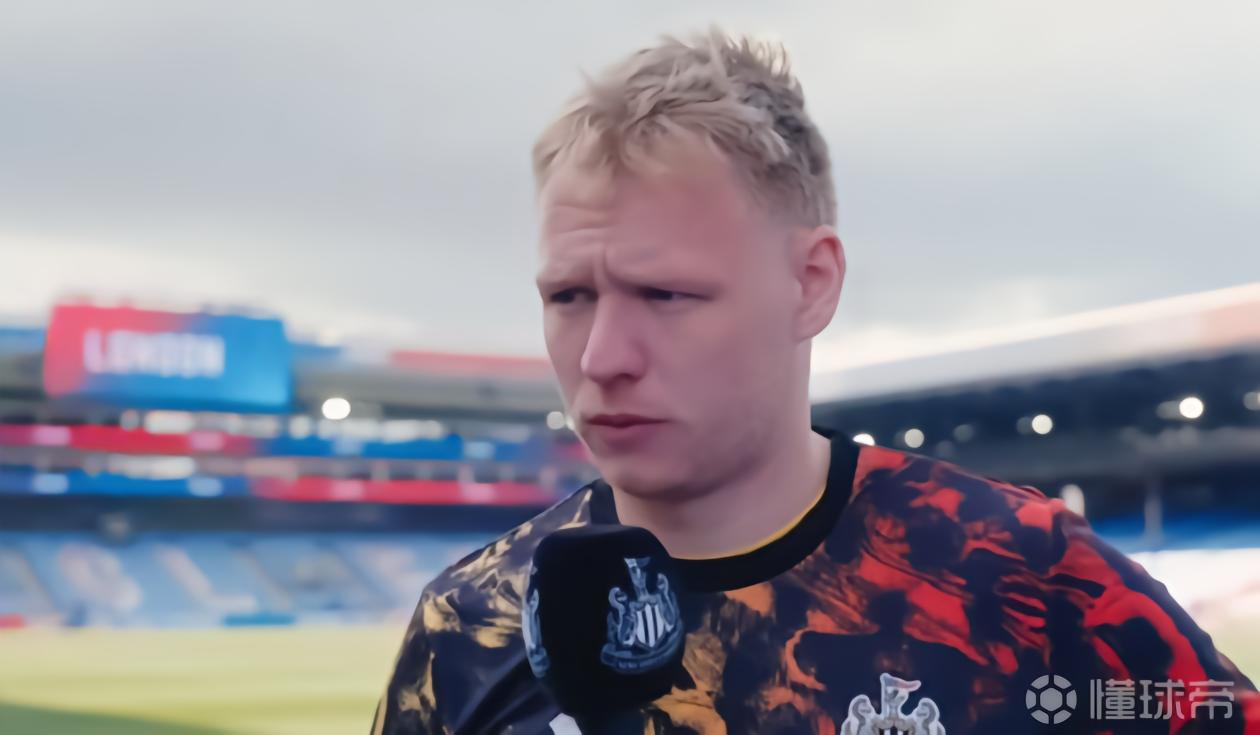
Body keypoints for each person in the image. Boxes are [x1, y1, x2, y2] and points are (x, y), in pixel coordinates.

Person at [373, 29, 1259, 733]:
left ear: (811, 283)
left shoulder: (1024, 571)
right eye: (569, 296)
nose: (603, 356)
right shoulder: (467, 623)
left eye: (665, 293)